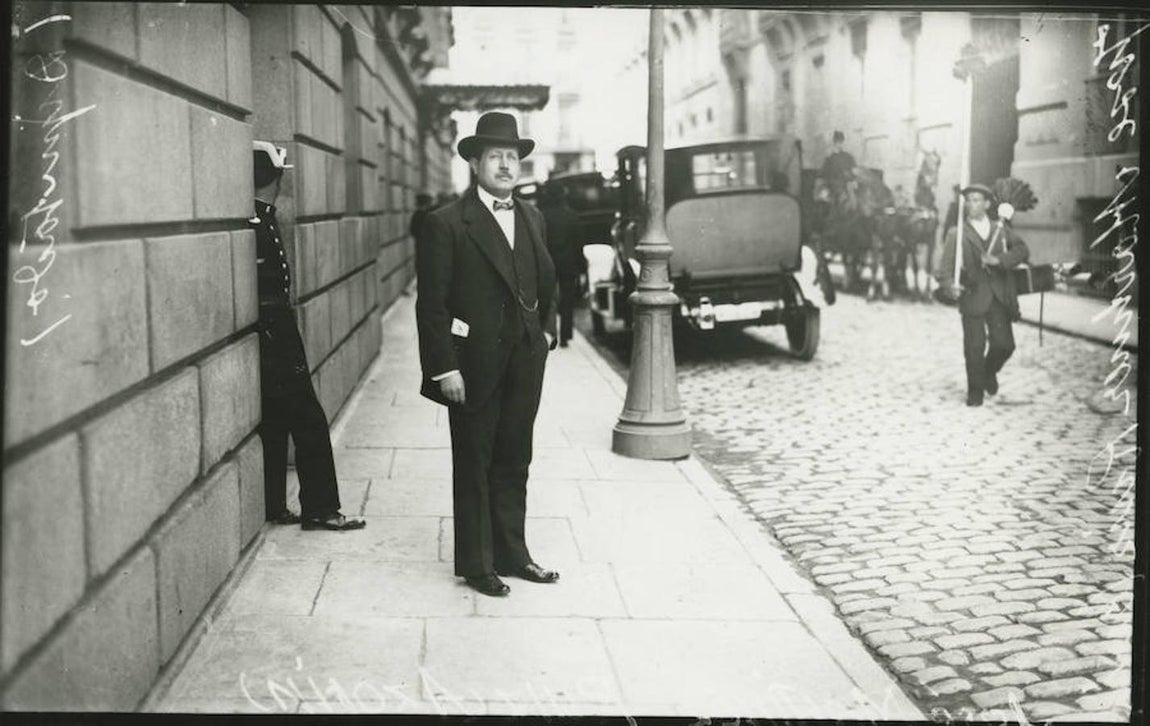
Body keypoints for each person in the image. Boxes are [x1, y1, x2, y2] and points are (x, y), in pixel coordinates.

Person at [415, 112, 560, 597]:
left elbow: (545, 280)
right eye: (495, 156)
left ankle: (513, 555)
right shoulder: (446, 224)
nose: (505, 165)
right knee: (474, 461)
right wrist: (444, 367)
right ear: (475, 163)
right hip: (473, 365)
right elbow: (431, 305)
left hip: (524, 360)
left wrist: (544, 332)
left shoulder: (532, 216)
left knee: (515, 458)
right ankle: (477, 564)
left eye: (512, 157)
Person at [251, 141, 366, 531]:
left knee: (277, 421)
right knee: (309, 421)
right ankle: (320, 509)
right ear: (276, 178)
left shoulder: (262, 219)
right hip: (276, 339)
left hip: (273, 338)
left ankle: (273, 506)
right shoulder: (257, 224)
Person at [936, 183, 1030, 407]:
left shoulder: (1002, 229)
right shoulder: (957, 233)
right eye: (968, 200)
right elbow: (944, 271)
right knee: (974, 347)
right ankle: (975, 391)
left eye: (977, 200)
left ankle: (988, 372)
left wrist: (999, 260)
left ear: (987, 204)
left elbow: (1022, 250)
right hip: (973, 295)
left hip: (999, 297)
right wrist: (951, 287)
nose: (971, 204)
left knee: (1005, 345)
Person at [537, 184, 583, 347]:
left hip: (547, 262)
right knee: (567, 300)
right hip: (568, 263)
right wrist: (581, 264)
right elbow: (578, 243)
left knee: (548, 299)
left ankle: (550, 333)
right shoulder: (572, 216)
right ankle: (565, 336)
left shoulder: (542, 216)